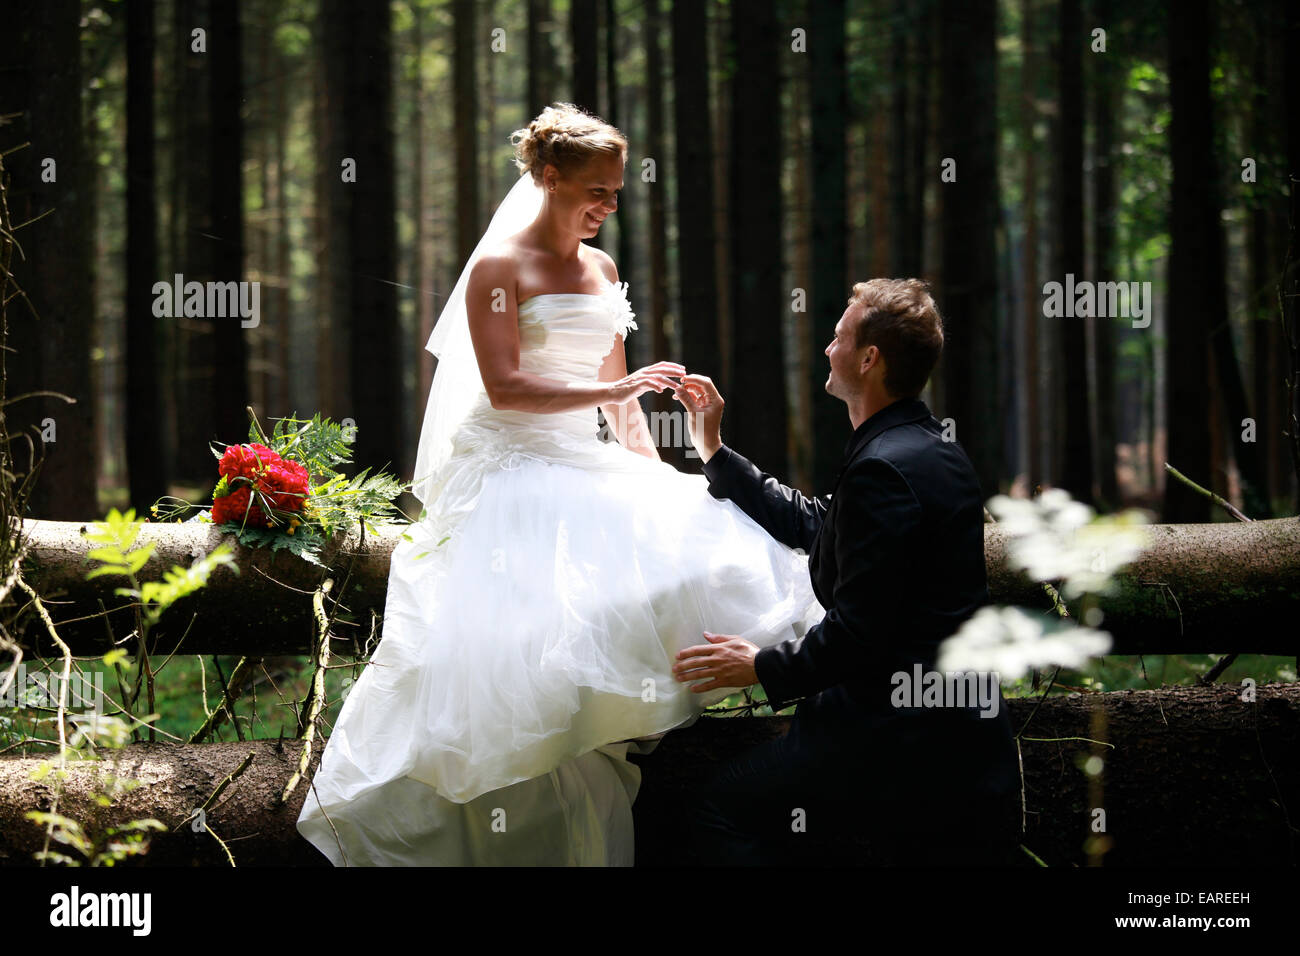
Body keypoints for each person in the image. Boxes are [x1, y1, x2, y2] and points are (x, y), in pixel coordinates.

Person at [295, 103, 825, 866]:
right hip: (510, 459)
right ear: (547, 176)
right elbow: (508, 389)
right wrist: (621, 388)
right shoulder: (497, 270)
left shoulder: (602, 269)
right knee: (524, 636)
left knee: (704, 542)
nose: (608, 207)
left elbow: (621, 396)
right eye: (596, 191)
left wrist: (653, 473)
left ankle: (632, 717)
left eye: (615, 193)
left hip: (582, 455)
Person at [670, 279, 1021, 865]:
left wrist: (758, 666)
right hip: (964, 732)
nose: (827, 348)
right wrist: (715, 452)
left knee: (718, 810)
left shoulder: (882, 467)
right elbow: (820, 526)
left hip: (895, 737)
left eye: (837, 336)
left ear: (869, 358)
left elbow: (861, 633)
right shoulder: (929, 450)